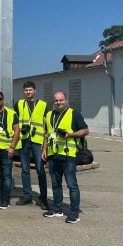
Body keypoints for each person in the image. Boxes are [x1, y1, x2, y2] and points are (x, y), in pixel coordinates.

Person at [42, 91, 89, 224]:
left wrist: (70, 135)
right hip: (53, 155)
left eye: (61, 100)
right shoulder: (49, 115)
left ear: (66, 101)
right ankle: (57, 209)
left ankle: (74, 212)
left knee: (72, 185)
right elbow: (47, 133)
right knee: (55, 184)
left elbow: (86, 130)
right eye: (56, 100)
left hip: (69, 156)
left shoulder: (74, 114)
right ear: (53, 102)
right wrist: (44, 149)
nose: (59, 102)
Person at [15, 81, 49, 210]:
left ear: (35, 91)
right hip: (24, 140)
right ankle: (27, 196)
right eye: (26, 90)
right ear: (23, 91)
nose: (28, 92)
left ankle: (43, 198)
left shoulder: (42, 104)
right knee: (25, 170)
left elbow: (46, 126)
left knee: (40, 170)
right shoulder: (19, 104)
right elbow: (15, 122)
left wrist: (45, 146)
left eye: (30, 90)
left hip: (37, 141)